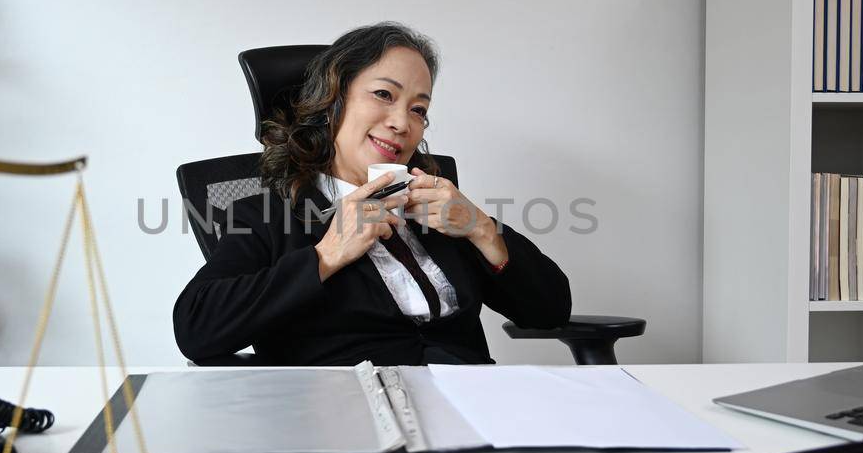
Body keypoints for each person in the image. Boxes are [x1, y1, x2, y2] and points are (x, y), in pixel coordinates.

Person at [173, 22, 571, 365]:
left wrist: (481, 228)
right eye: (384, 94)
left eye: (419, 109)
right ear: (333, 100)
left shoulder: (435, 204)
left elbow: (550, 311)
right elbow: (196, 327)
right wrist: (327, 255)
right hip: (351, 416)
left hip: (473, 403)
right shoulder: (266, 215)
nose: (402, 122)